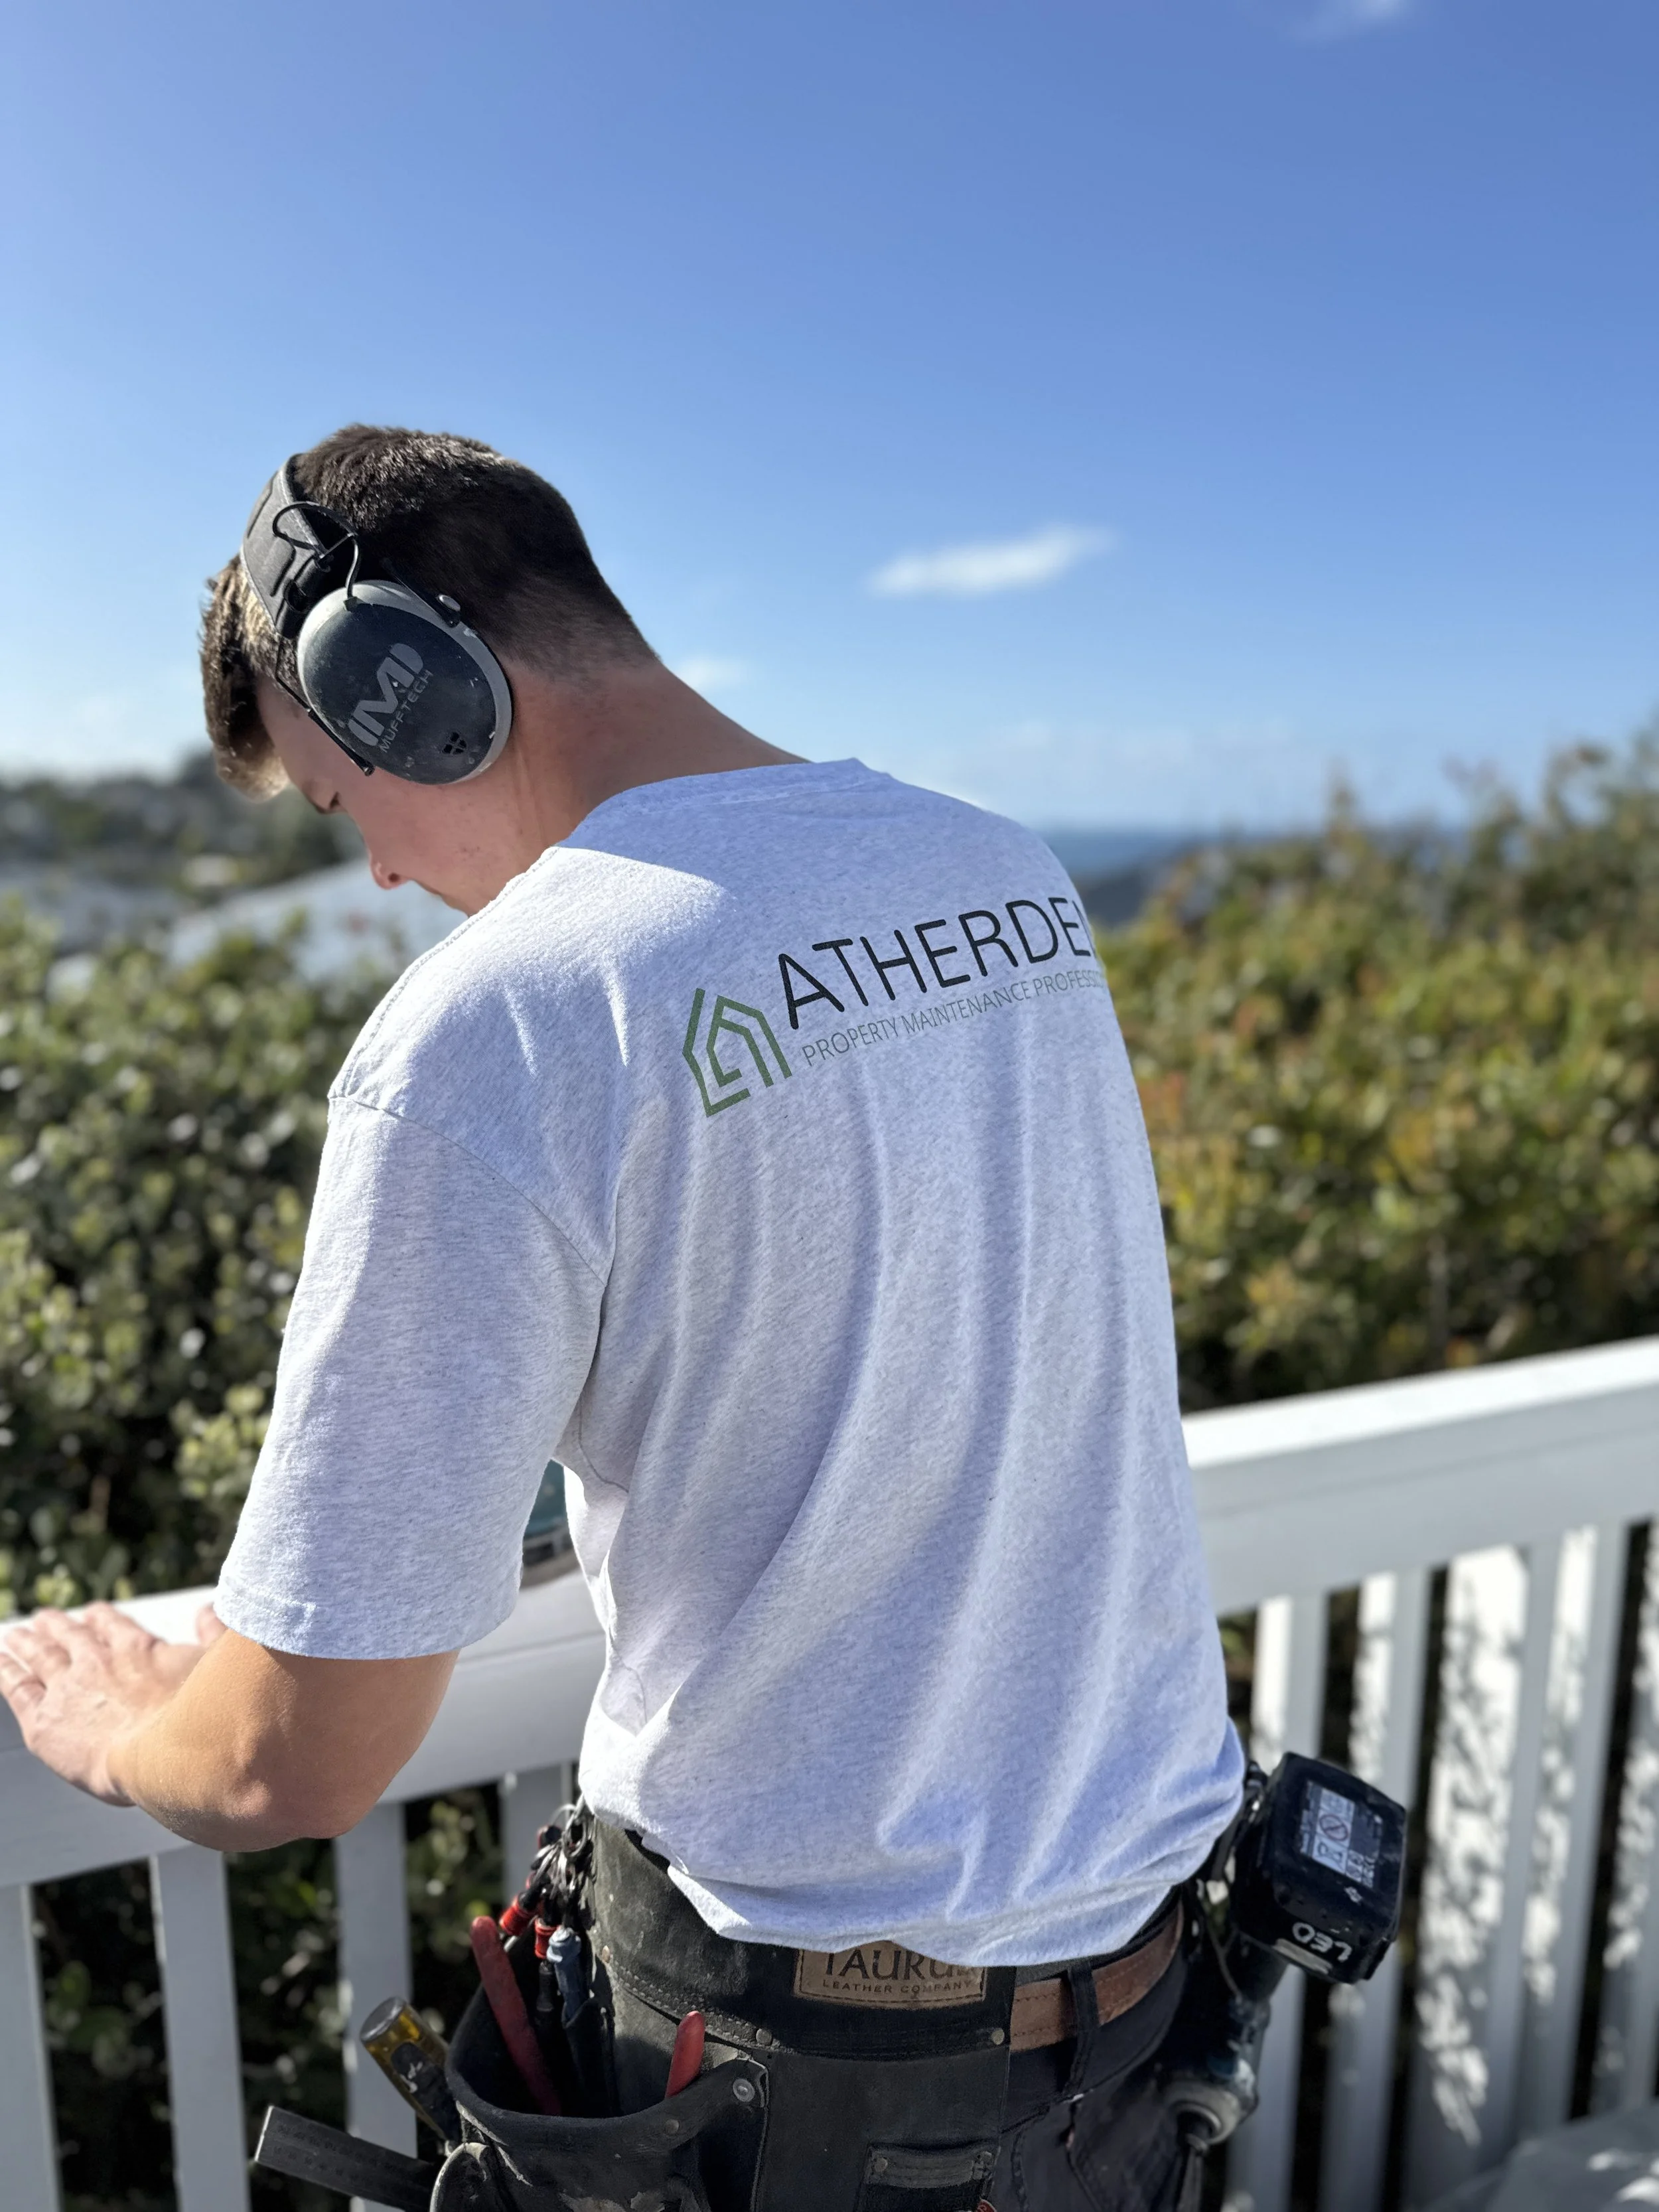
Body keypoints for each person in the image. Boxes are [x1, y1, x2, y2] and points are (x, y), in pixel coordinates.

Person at [0, 425, 1242, 2210]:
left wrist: (124, 1725)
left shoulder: (494, 1024)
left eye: (346, 803)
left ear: (409, 691)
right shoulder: (1004, 874)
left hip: (790, 2089)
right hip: (1127, 2026)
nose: (374, 875)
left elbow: (291, 1756)